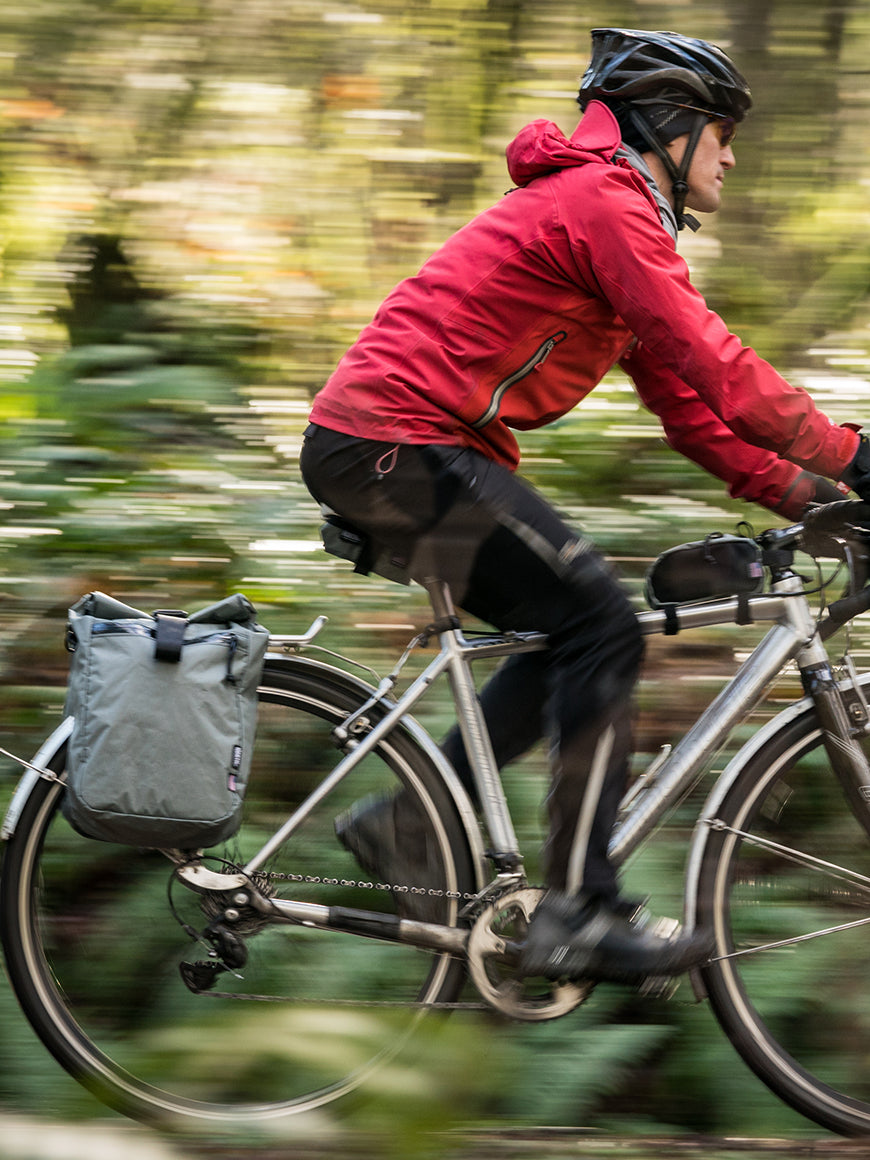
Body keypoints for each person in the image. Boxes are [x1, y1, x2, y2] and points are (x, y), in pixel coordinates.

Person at [299, 27, 870, 986]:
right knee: (600, 618)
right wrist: (858, 454)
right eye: (721, 132)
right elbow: (719, 366)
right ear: (673, 129)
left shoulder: (609, 215)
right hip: (393, 445)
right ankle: (580, 910)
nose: (731, 154)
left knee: (575, 626)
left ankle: (410, 825)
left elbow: (697, 412)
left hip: (395, 448)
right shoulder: (606, 203)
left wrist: (820, 493)